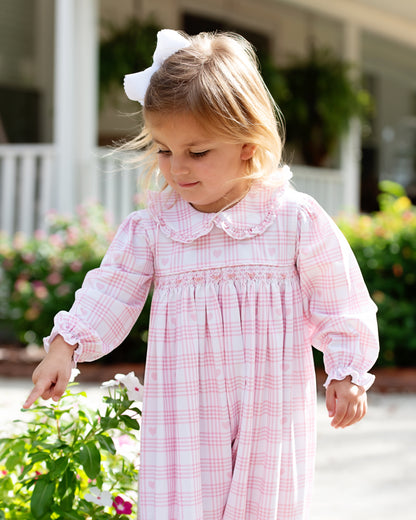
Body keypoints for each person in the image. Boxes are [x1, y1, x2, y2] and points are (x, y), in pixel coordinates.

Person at [23, 29, 379, 520]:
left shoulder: (294, 219)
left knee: (265, 506)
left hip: (269, 412)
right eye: (165, 150)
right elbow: (112, 288)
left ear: (248, 147)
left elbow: (340, 298)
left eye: (197, 152)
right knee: (184, 506)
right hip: (186, 413)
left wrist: (347, 371)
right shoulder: (155, 228)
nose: (176, 169)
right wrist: (65, 346)